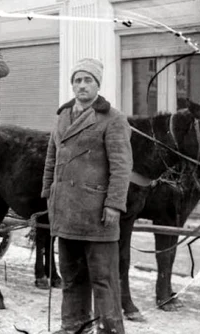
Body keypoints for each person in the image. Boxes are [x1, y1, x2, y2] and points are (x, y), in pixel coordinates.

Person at [41, 58, 133, 334]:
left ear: (97, 85)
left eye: (87, 80)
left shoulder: (113, 119)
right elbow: (51, 159)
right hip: (66, 210)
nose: (81, 85)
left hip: (97, 214)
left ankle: (111, 330)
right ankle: (73, 326)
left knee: (104, 279)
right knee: (71, 275)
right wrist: (48, 193)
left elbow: (121, 166)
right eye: (77, 80)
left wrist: (115, 204)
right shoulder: (63, 116)